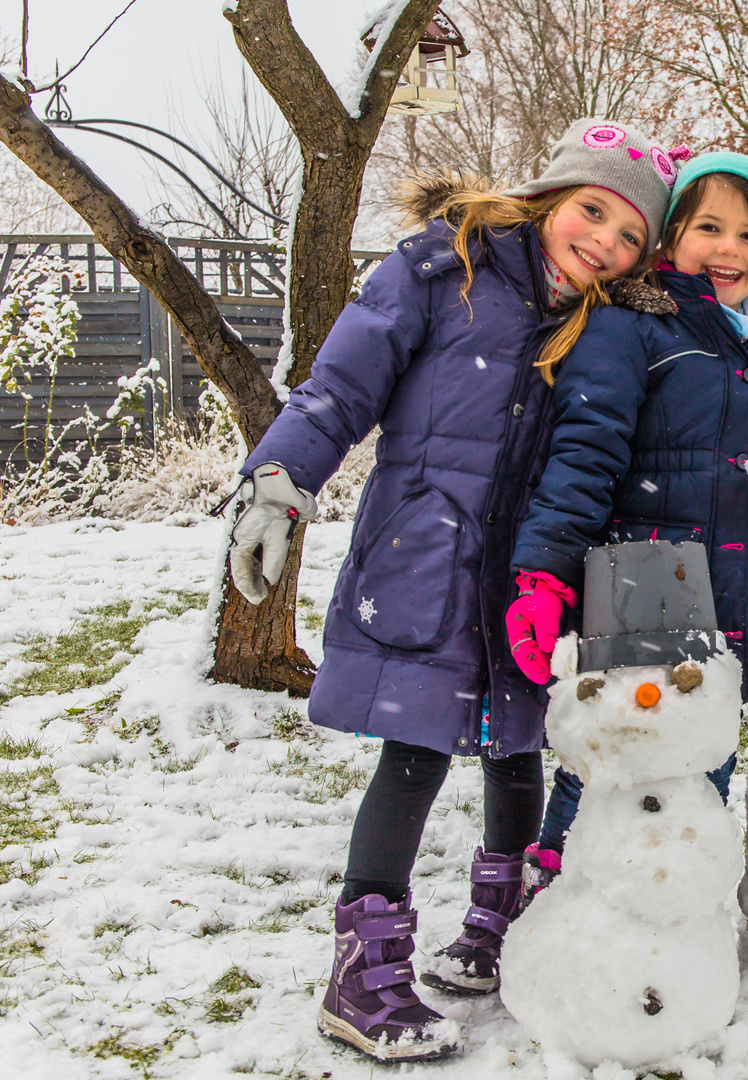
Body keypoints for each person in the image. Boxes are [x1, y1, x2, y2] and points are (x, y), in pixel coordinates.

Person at [225, 119, 682, 1062]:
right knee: (415, 752)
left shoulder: (607, 322)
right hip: (427, 557)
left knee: (518, 748)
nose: (603, 240)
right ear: (554, 196)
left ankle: (498, 932)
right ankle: (364, 973)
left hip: (526, 576)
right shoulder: (445, 270)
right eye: (592, 211)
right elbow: (339, 387)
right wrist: (281, 480)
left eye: (630, 234)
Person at [505, 152, 748, 879]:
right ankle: (563, 892)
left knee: (704, 757)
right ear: (672, 238)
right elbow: (584, 456)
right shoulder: (632, 332)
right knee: (615, 760)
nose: (728, 249)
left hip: (733, 583)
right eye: (709, 227)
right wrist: (544, 572)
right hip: (641, 580)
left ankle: (676, 919)